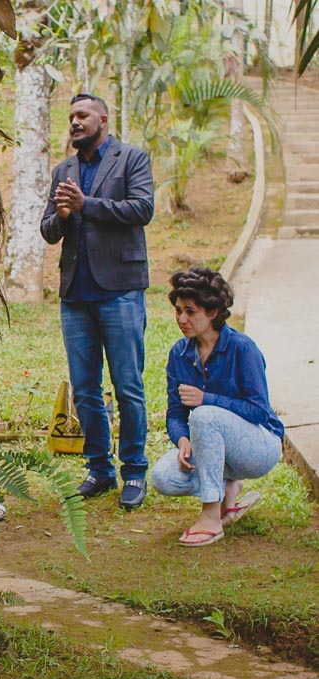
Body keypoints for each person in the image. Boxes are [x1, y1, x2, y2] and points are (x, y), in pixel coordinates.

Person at [40, 92, 155, 510]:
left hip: (120, 290)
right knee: (85, 389)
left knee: (128, 386)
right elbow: (48, 230)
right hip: (75, 295)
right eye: (71, 116)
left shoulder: (131, 159)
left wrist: (86, 205)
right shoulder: (63, 171)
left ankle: (134, 471)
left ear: (103, 120)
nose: (75, 122)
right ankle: (99, 470)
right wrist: (63, 216)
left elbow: (142, 209)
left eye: (83, 115)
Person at [150, 268, 284, 546]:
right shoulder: (179, 354)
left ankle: (211, 516)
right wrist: (182, 439)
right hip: (213, 448)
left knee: (204, 415)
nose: (181, 319)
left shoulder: (242, 348)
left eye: (190, 311)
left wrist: (206, 399)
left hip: (260, 447)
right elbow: (175, 413)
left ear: (212, 312)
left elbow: (260, 412)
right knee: (162, 477)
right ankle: (228, 487)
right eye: (178, 311)